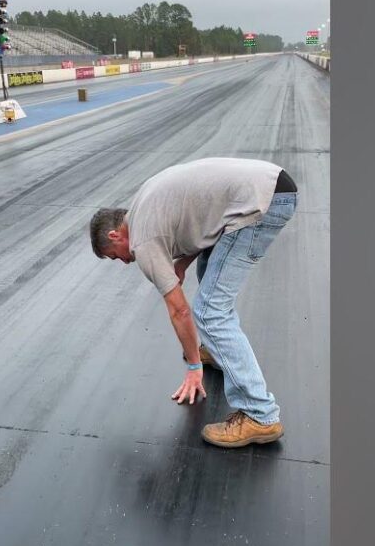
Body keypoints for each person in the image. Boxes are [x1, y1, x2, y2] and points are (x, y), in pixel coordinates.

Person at [88, 157, 298, 448]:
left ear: (115, 236)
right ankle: (215, 348)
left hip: (260, 205)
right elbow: (202, 223)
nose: (123, 262)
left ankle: (259, 414)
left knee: (210, 312)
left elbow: (180, 310)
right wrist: (184, 261)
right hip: (268, 186)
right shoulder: (141, 208)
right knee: (206, 273)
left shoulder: (143, 240)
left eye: (115, 255)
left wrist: (193, 366)